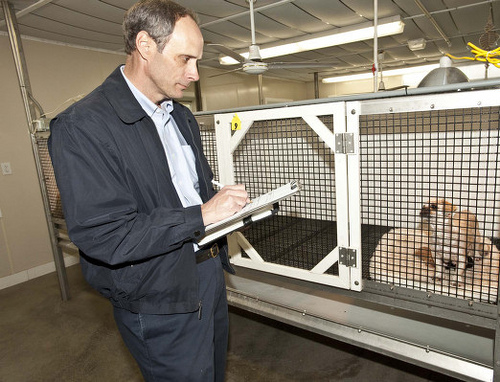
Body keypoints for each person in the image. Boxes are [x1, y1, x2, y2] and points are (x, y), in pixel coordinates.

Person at [48, 1, 249, 380]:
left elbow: (187, 191)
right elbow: (104, 234)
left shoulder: (181, 116)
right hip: (156, 292)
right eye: (185, 59)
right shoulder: (82, 127)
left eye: (197, 61)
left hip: (207, 271)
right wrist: (203, 215)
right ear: (145, 46)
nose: (195, 74)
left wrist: (224, 208)